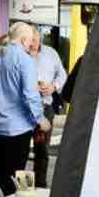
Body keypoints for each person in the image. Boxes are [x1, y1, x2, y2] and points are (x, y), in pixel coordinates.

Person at [0, 22, 46, 195]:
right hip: (17, 129)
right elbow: (30, 95)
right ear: (23, 40)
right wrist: (40, 119)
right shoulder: (25, 60)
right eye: (30, 40)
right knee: (14, 179)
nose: (31, 44)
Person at [31, 25, 68, 185]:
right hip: (23, 110)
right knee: (20, 150)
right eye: (28, 38)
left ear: (40, 37)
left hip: (45, 108)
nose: (31, 41)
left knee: (42, 149)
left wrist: (53, 87)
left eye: (34, 37)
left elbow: (63, 75)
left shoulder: (51, 53)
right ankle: (16, 188)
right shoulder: (21, 54)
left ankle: (40, 185)